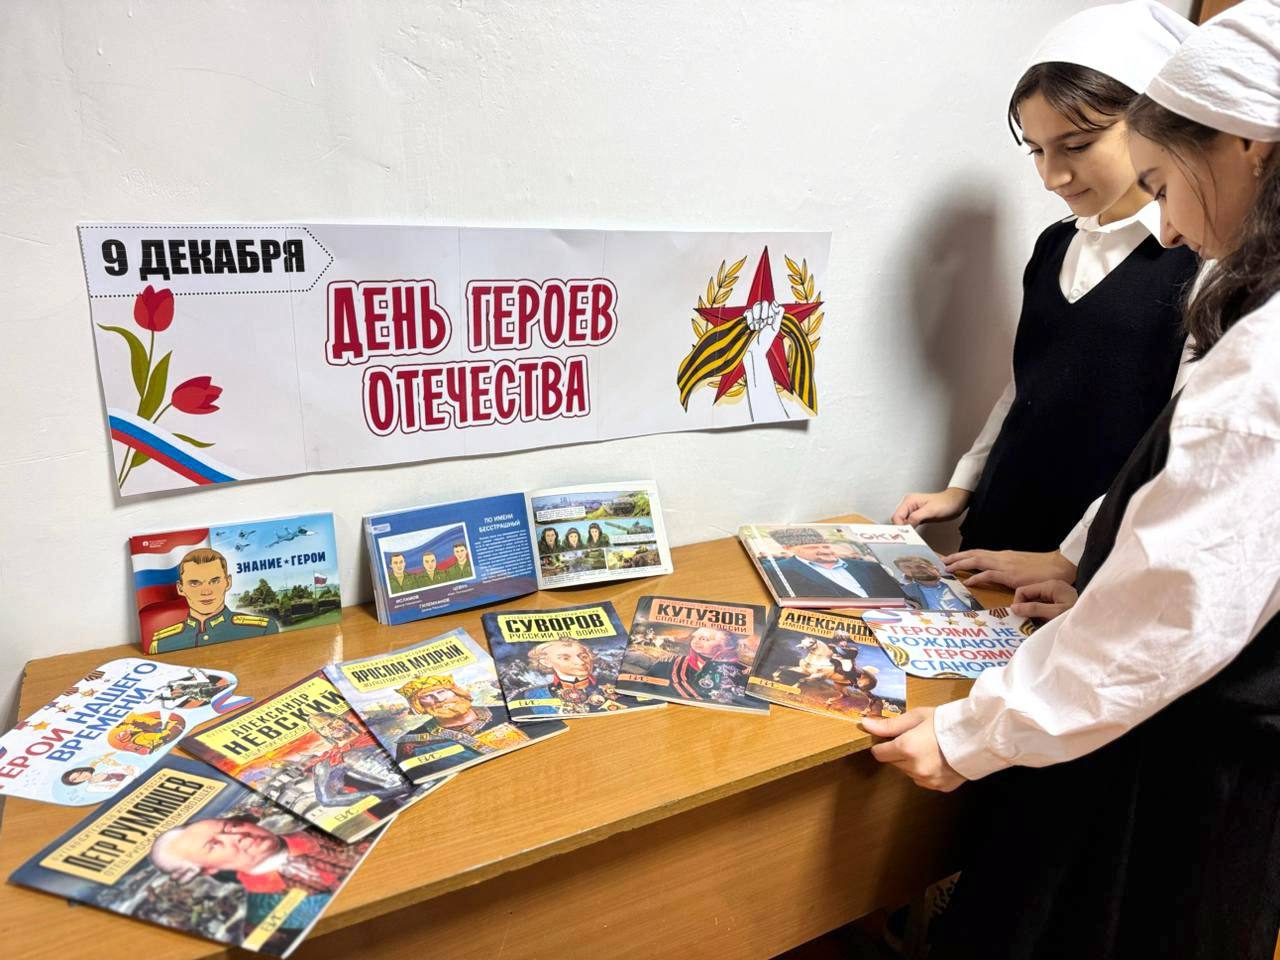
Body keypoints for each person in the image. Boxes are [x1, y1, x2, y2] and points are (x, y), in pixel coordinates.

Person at [865, 6, 1280, 955]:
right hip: (1124, 631)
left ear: (1248, 150)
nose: (1169, 226)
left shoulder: (1253, 351)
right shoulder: (1078, 253)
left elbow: (1176, 599)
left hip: (1199, 730)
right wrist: (1084, 575)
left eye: (1164, 185)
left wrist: (973, 735)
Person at [891, 1, 1197, 580]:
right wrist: (962, 485)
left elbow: (1177, 440)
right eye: (1036, 150)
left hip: (1092, 555)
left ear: (1155, 123)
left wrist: (1069, 560)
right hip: (1000, 522)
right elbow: (1028, 380)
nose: (1053, 175)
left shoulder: (1197, 265)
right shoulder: (1055, 244)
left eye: (1077, 146)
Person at [150, 548, 279, 651]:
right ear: (180, 588)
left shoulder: (261, 630)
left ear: (228, 582)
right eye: (195, 583)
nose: (206, 591)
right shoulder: (162, 643)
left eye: (214, 581)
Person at [393, 675, 527, 771]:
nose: (439, 699)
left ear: (457, 693)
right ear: (418, 705)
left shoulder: (508, 712)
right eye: (427, 696)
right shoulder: (411, 743)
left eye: (442, 691)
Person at [765, 527, 903, 600]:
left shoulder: (870, 567)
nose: (824, 551)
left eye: (826, 546)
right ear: (788, 548)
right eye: (812, 548)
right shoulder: (777, 570)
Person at [305, 711, 411, 805]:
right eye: (323, 728)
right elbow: (327, 799)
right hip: (408, 795)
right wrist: (397, 790)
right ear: (321, 733)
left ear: (342, 719)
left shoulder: (380, 729)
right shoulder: (331, 759)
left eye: (332, 722)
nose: (331, 728)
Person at [518, 637, 627, 715]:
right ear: (546, 662)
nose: (580, 662)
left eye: (584, 656)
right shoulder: (531, 695)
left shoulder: (617, 685)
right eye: (565, 658)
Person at [645, 625, 750, 704]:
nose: (695, 641)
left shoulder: (743, 671)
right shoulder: (668, 663)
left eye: (704, 639)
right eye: (695, 637)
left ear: (726, 645)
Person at [892, 555, 981, 611]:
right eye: (908, 568)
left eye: (919, 566)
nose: (915, 569)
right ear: (904, 572)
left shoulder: (961, 583)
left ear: (934, 567)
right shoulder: (905, 592)